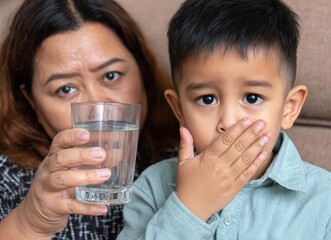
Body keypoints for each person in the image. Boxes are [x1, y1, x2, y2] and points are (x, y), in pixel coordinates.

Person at [117, 0, 331, 239]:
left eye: (252, 97)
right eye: (207, 99)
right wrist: (190, 207)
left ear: (288, 109)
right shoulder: (152, 188)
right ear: (179, 111)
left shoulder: (324, 199)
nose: (228, 122)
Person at [0, 0, 179, 239]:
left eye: (111, 75)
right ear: (32, 102)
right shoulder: (6, 180)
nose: (97, 107)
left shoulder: (188, 161)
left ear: (142, 71)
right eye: (65, 89)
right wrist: (28, 224)